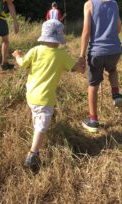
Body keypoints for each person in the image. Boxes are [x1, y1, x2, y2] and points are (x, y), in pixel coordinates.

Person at [12, 20, 83, 169]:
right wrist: (82, 65)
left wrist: (18, 55)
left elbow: (22, 63)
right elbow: (76, 68)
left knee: (37, 118)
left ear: (44, 37)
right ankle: (33, 154)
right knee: (42, 126)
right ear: (59, 38)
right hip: (45, 98)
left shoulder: (36, 50)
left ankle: (34, 142)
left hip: (31, 94)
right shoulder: (62, 55)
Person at [79, 0, 122, 133]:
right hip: (115, 50)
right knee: (112, 69)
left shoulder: (89, 5)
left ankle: (93, 121)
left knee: (93, 85)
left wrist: (81, 56)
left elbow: (85, 32)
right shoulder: (114, 4)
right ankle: (116, 94)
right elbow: (118, 28)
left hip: (96, 53)